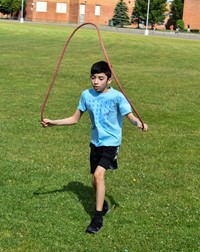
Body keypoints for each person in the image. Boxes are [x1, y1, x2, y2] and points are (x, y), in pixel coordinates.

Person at [42, 61, 148, 234]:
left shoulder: (117, 97)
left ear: (109, 80)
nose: (96, 82)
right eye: (93, 78)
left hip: (111, 143)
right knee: (94, 180)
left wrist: (139, 124)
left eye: (100, 78)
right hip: (95, 143)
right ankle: (103, 203)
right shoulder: (86, 95)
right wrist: (53, 123)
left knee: (99, 175)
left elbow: (130, 117)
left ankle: (98, 217)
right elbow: (74, 119)